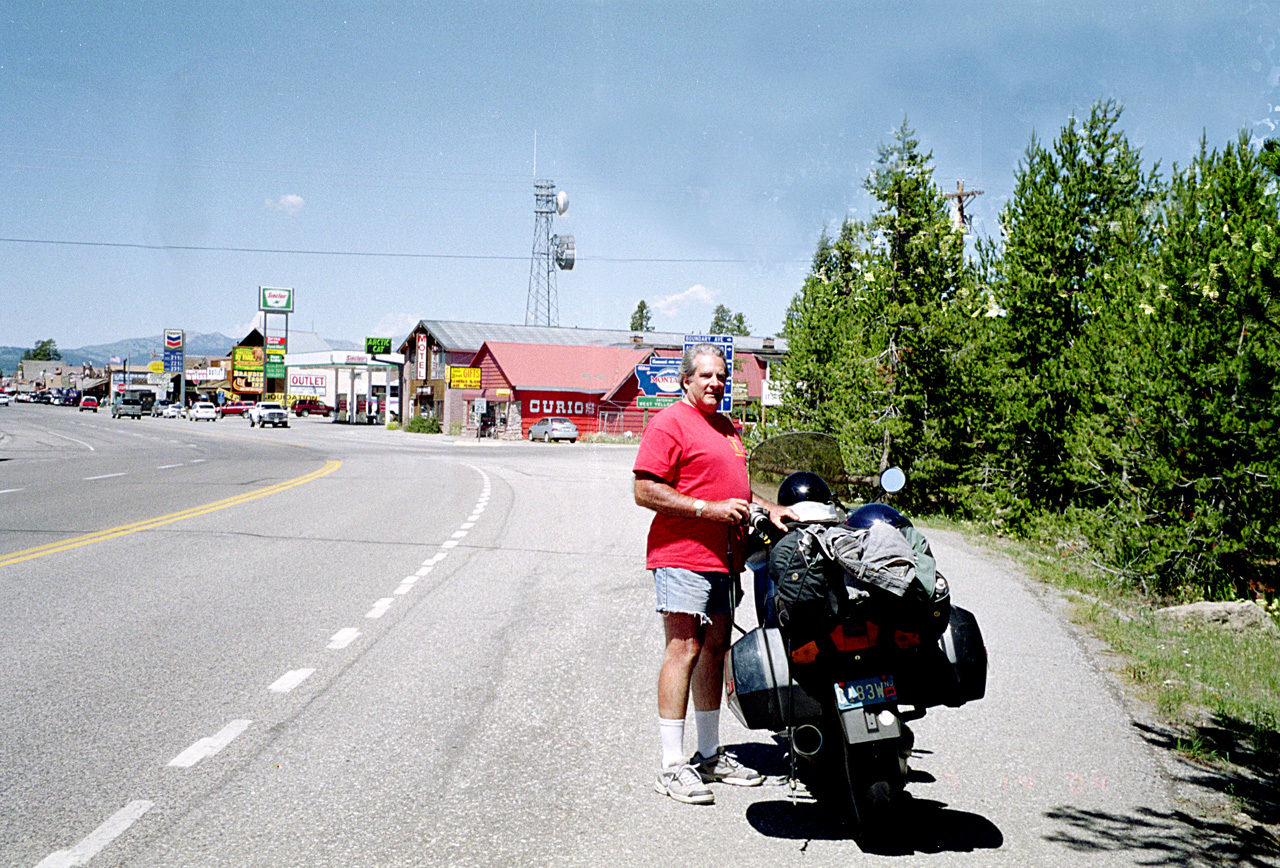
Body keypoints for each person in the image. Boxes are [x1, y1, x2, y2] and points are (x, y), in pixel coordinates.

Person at [633, 343, 795, 804]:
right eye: (704, 376)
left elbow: (737, 492)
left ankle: (709, 754)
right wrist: (708, 509)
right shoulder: (668, 423)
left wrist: (770, 509)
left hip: (726, 558)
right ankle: (671, 765)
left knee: (715, 652)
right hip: (682, 553)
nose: (714, 384)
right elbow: (645, 490)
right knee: (683, 649)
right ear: (685, 380)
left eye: (721, 376)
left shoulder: (726, 427)